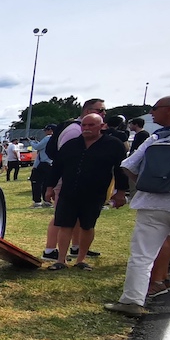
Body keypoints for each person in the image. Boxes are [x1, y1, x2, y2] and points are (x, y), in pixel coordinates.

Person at [105, 103, 170, 316]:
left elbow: (128, 165)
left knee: (142, 254)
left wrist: (146, 184)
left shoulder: (157, 138)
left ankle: (132, 300)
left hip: (151, 203)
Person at [44, 113, 128, 270]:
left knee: (87, 226)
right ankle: (61, 260)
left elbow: (120, 170)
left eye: (91, 125)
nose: (87, 128)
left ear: (102, 126)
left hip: (94, 193)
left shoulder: (113, 145)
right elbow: (57, 168)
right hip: (69, 191)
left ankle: (81, 259)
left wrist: (121, 192)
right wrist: (50, 188)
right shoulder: (71, 145)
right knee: (64, 225)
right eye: (84, 125)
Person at [42, 98, 106, 260]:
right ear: (87, 112)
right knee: (61, 217)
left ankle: (77, 247)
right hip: (67, 180)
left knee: (78, 217)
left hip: (82, 183)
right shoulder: (74, 131)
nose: (104, 113)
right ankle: (50, 250)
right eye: (100, 110)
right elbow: (63, 159)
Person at [30, 126, 56, 207]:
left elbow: (37, 147)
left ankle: (37, 201)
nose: (45, 132)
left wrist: (31, 142)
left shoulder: (48, 137)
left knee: (36, 182)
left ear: (50, 130)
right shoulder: (57, 138)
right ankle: (47, 200)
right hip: (51, 163)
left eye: (46, 130)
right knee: (47, 183)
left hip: (43, 163)